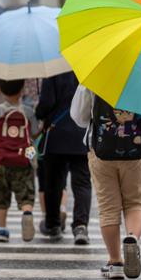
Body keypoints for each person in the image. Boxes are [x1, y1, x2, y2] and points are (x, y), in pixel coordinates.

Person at [71, 85, 141, 280]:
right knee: (135, 202)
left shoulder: (93, 77)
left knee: (108, 208)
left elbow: (79, 117)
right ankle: (132, 237)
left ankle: (115, 261)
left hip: (101, 151)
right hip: (135, 150)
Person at [35, 71, 91, 244]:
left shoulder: (53, 70)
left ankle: (53, 224)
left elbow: (46, 103)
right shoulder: (88, 70)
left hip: (56, 133)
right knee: (82, 182)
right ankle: (80, 225)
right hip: (81, 134)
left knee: (54, 182)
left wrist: (39, 111)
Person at [0, 79, 39, 243]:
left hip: (3, 160)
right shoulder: (28, 111)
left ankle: (2, 229)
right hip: (25, 160)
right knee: (26, 194)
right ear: (22, 89)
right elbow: (33, 134)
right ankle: (27, 212)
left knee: (2, 195)